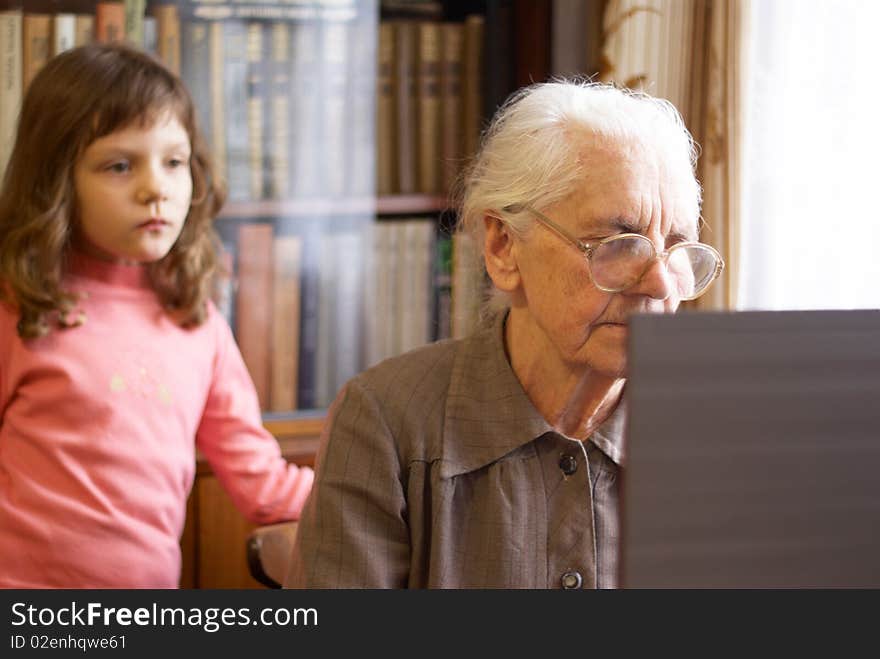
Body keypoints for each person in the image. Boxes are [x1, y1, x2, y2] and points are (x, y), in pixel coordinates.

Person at [286, 81, 724, 589]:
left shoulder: (714, 436)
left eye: (677, 248)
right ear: (502, 247)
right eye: (618, 243)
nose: (660, 283)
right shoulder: (386, 425)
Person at [0, 43, 314, 588]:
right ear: (56, 180)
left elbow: (260, 483)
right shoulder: (18, 306)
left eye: (174, 162)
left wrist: (375, 498)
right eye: (119, 165)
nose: (155, 189)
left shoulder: (198, 323)